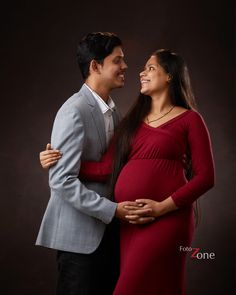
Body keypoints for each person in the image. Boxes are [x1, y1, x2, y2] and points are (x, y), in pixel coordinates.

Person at [41, 49, 215, 294]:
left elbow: (206, 177)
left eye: (151, 68)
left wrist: (161, 207)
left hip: (167, 219)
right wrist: (60, 162)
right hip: (130, 225)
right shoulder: (131, 121)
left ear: (169, 76)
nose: (141, 73)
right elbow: (105, 169)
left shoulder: (190, 120)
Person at [36, 32, 153, 295]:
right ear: (95, 66)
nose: (125, 67)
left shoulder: (114, 112)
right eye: (118, 60)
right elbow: (61, 181)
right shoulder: (73, 110)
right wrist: (113, 210)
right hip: (79, 242)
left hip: (110, 238)